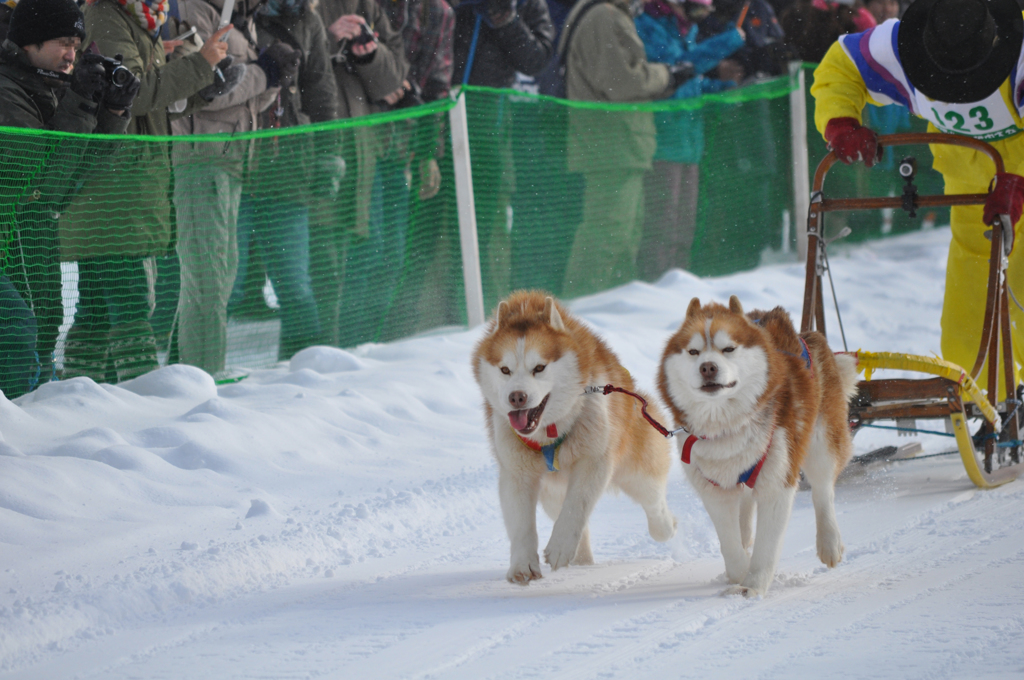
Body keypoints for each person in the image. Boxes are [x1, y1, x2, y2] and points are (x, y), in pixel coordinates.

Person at [811, 0, 1024, 394]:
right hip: (971, 195)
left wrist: (1018, 183)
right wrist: (841, 121)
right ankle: (989, 397)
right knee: (968, 312)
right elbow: (841, 64)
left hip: (1017, 176)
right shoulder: (902, 49)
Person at [57, 0, 229, 383]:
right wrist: (200, 64)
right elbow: (138, 94)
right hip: (114, 185)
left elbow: (147, 106)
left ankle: (80, 390)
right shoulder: (106, 16)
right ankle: (141, 392)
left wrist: (205, 88)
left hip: (122, 183)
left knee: (99, 306)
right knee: (130, 300)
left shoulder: (131, 17)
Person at [0, 0, 140, 391]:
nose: (71, 55)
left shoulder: (48, 86)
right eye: (63, 42)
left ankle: (37, 419)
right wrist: (80, 102)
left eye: (77, 46)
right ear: (29, 42)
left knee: (45, 324)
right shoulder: (7, 88)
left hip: (34, 232)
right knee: (18, 330)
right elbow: (37, 177)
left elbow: (72, 180)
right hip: (12, 232)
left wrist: (112, 112)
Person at [170, 0, 286, 377]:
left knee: (220, 272)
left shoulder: (238, 18)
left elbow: (245, 98)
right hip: (201, 158)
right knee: (208, 275)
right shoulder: (190, 10)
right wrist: (261, 74)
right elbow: (204, 92)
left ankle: (187, 371)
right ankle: (204, 374)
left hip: (229, 158)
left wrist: (274, 77)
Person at [559, 0, 694, 297]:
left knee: (623, 238)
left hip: (619, 144)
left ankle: (613, 308)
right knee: (607, 236)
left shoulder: (605, 13)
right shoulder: (605, 17)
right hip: (612, 143)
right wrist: (667, 75)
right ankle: (582, 309)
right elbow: (623, 81)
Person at [231, 0, 341, 361]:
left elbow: (322, 88)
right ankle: (195, 374)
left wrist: (328, 156)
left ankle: (304, 370)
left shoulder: (306, 18)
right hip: (230, 158)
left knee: (294, 285)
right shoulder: (228, 10)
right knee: (224, 283)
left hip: (287, 162)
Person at [452, 0, 555, 309]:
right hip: (445, 109)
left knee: (490, 221)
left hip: (493, 120)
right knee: (443, 225)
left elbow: (536, 58)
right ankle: (438, 315)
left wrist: (504, 17)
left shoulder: (528, 4)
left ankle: (484, 308)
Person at [316, 0, 407, 346]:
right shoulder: (305, 8)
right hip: (317, 149)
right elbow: (288, 63)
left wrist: (369, 53)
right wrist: (328, 39)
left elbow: (394, 81)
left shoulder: (369, 7)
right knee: (321, 272)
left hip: (366, 152)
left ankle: (361, 349)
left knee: (372, 257)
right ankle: (319, 353)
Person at [635, 0, 744, 279]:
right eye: (696, 8)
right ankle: (655, 284)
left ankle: (678, 282)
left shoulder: (687, 31)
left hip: (689, 145)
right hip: (664, 143)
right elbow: (677, 74)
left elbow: (692, 83)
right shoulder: (649, 26)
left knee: (685, 224)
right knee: (662, 223)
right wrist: (726, 43)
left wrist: (720, 89)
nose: (700, 15)